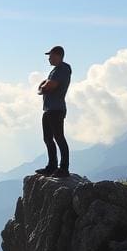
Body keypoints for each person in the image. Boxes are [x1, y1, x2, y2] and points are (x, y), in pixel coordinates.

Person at [35, 45, 71, 177]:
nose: (49, 58)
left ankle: (64, 168)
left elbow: (48, 86)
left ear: (58, 56)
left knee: (59, 138)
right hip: (49, 109)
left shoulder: (63, 69)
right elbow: (46, 84)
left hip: (56, 109)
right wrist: (44, 86)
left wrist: (41, 88)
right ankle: (52, 166)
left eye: (50, 56)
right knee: (48, 138)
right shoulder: (55, 70)